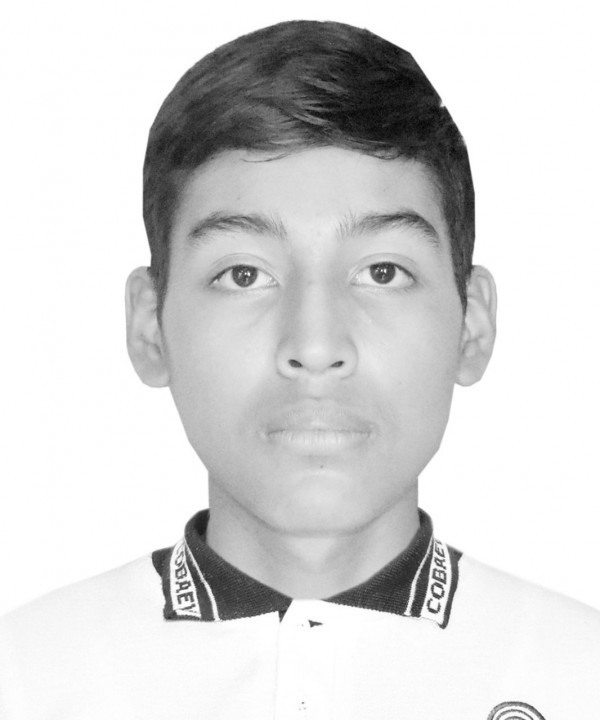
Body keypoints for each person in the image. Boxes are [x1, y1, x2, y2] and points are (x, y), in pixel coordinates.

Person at [0, 19, 598, 720]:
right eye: (244, 274)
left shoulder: (579, 677)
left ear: (473, 323)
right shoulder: (25, 679)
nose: (315, 345)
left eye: (383, 271)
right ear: (149, 325)